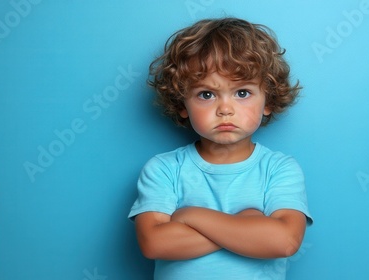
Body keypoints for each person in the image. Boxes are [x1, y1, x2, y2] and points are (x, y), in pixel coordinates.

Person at [128, 17, 313, 280]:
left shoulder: (279, 168)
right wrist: (248, 224)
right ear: (183, 104)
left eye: (242, 93)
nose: (225, 109)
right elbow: (155, 244)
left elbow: (284, 242)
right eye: (206, 94)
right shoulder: (164, 169)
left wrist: (188, 215)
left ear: (268, 100)